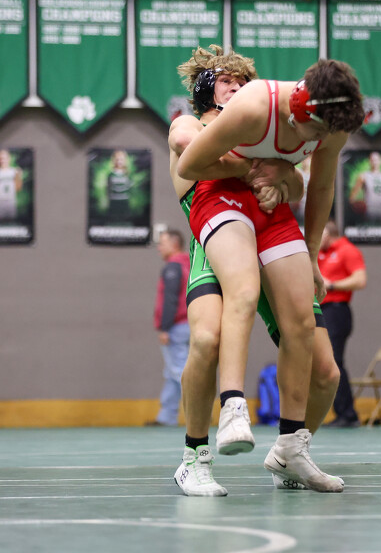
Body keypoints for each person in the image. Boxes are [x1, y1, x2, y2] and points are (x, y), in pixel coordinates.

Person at [177, 54, 365, 493]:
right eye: (225, 81)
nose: (236, 86)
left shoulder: (323, 123)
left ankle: (290, 449)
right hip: (219, 222)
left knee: (325, 370)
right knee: (207, 338)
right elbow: (186, 153)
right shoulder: (206, 120)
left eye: (243, 79)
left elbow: (307, 185)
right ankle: (201, 445)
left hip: (270, 221)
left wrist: (287, 183)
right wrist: (257, 169)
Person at [318, 219, 367, 428]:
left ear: (328, 234)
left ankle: (348, 414)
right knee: (323, 362)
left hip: (337, 311)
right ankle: (340, 412)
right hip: (321, 310)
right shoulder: (320, 253)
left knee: (334, 360)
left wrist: (332, 285)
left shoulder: (347, 250)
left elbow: (360, 280)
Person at [147, 229, 190, 427]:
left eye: (162, 243)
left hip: (176, 327)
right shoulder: (189, 265)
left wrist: (165, 328)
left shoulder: (173, 267)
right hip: (189, 325)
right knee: (172, 372)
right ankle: (166, 416)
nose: (159, 247)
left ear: (174, 244)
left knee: (179, 372)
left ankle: (199, 415)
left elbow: (170, 299)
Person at [349, 151, 381, 223]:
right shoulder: (363, 176)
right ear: (369, 161)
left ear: (380, 161)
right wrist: (357, 207)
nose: (375, 162)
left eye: (376, 160)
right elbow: (352, 196)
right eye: (372, 160)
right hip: (369, 210)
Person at [107, 149, 132, 222]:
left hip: (124, 202)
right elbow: (108, 189)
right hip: (113, 202)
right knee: (113, 220)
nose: (119, 162)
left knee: (124, 220)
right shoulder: (111, 174)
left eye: (121, 159)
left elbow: (130, 189)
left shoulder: (127, 174)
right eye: (117, 159)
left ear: (125, 160)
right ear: (114, 160)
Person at [0, 149, 23, 221]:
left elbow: (18, 188)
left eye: (4, 158)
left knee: (12, 222)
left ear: (9, 159)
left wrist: (19, 177)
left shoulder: (14, 171)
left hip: (11, 202)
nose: (2, 160)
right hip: (0, 202)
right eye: (1, 158)